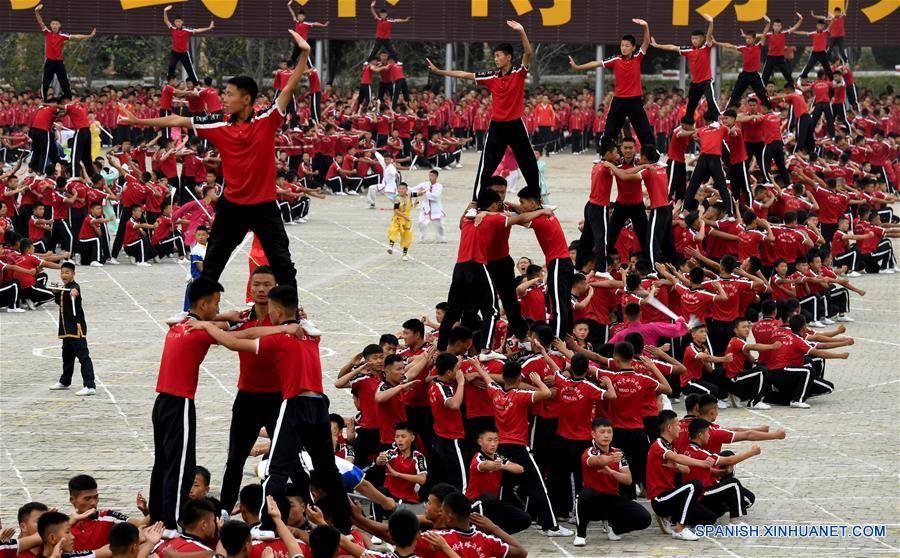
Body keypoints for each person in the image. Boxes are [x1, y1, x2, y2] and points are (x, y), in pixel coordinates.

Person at [118, 30, 312, 290]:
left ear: (246, 99)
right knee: (212, 265)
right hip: (231, 207)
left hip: (265, 205)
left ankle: (293, 317)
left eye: (230, 94)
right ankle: (197, 313)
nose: (224, 99)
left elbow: (290, 86)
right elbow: (177, 120)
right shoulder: (218, 123)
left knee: (283, 264)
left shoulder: (267, 120)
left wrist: (305, 54)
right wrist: (138, 121)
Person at [192, 285, 352, 535]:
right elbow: (254, 330)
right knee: (327, 469)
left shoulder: (279, 340)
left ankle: (267, 527)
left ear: (275, 311)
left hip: (295, 403)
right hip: (319, 404)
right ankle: (344, 525)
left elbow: (234, 342)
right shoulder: (310, 333)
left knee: (276, 469)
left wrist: (207, 327)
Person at [426, 21, 539, 200]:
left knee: (529, 164)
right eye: (494, 56)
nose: (495, 59)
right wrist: (440, 72)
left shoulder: (519, 72)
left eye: (498, 56)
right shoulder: (491, 76)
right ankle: (476, 201)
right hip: (497, 127)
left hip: (516, 124)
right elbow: (465, 74)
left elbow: (528, 52)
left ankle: (536, 199)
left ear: (508, 57)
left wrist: (521, 31)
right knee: (486, 166)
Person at [437, 189, 549, 357]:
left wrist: (475, 207)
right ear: (495, 204)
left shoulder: (469, 218)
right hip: (478, 266)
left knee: (452, 312)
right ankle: (486, 349)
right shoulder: (494, 218)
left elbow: (463, 219)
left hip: (459, 268)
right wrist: (542, 211)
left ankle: (440, 350)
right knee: (491, 310)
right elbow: (523, 218)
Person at [473, 361, 573, 537]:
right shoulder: (520, 396)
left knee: (504, 487)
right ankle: (551, 527)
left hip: (500, 447)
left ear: (503, 377)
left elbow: (487, 378)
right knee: (538, 485)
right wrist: (537, 380)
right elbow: (547, 393)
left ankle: (498, 525)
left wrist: (477, 365)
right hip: (519, 448)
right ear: (519, 379)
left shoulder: (496, 393)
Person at [568, 19, 655, 153]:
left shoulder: (638, 57)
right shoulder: (615, 59)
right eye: (622, 45)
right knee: (610, 130)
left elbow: (646, 42)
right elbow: (596, 63)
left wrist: (645, 26)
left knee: (644, 130)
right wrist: (578, 67)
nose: (624, 48)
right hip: (619, 100)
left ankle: (652, 157)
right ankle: (604, 155)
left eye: (627, 45)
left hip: (635, 100)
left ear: (633, 47)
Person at [573, 417, 651, 547]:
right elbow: (595, 461)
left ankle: (614, 528)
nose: (606, 435)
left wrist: (613, 472)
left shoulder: (618, 453)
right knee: (584, 495)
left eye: (609, 432)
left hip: (611, 499)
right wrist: (609, 460)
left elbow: (628, 480)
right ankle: (580, 534)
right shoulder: (589, 452)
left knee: (644, 518)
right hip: (593, 501)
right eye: (602, 432)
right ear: (593, 434)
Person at [647, 410, 717, 541]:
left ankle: (671, 518)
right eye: (678, 425)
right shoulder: (659, 445)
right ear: (669, 427)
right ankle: (679, 529)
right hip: (660, 499)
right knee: (694, 486)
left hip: (672, 496)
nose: (680, 428)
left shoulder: (670, 447)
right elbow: (677, 457)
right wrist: (702, 463)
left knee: (709, 517)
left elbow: (686, 470)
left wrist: (677, 466)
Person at [516, 188, 573, 338]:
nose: (520, 205)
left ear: (533, 203)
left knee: (559, 305)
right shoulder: (547, 213)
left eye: (522, 202)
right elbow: (523, 213)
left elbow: (519, 219)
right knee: (564, 302)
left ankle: (559, 341)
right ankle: (567, 336)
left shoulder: (540, 219)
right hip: (564, 261)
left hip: (558, 261)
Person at [683, 419, 759, 523]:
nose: (709, 435)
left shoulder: (689, 449)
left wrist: (725, 472)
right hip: (702, 494)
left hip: (703, 491)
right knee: (733, 484)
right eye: (707, 433)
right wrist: (752, 452)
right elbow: (729, 460)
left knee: (720, 509)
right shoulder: (699, 453)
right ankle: (734, 521)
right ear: (700, 435)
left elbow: (708, 471)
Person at [652, 14, 718, 122]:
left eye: (696, 38)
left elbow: (709, 35)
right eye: (692, 39)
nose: (694, 40)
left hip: (706, 82)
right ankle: (687, 122)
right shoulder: (688, 50)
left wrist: (711, 22)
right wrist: (657, 45)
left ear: (702, 39)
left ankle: (718, 119)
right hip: (695, 83)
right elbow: (673, 47)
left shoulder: (706, 47)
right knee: (691, 104)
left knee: (711, 101)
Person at [465, 427, 531, 536]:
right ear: (480, 442)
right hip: (474, 504)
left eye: (496, 440)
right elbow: (483, 465)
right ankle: (479, 535)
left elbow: (520, 469)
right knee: (488, 497)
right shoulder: (478, 457)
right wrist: (493, 465)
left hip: (492, 504)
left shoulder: (498, 457)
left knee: (525, 519)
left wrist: (502, 466)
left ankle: (496, 535)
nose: (493, 444)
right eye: (489, 440)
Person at [46, 262, 96, 396]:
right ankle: (65, 381)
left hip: (75, 328)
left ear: (73, 274)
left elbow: (75, 292)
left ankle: (90, 385)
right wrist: (56, 293)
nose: (64, 275)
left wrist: (75, 293)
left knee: (83, 357)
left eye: (67, 272)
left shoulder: (74, 287)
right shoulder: (65, 288)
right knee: (67, 356)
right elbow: (60, 302)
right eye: (62, 272)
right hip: (66, 329)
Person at [33, 4, 95, 99]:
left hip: (59, 62)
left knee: (64, 81)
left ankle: (68, 98)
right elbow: (40, 22)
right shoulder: (47, 33)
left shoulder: (63, 36)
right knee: (46, 81)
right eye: (53, 24)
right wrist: (36, 11)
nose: (54, 26)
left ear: (59, 25)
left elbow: (76, 36)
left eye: (56, 24)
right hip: (49, 61)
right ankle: (44, 99)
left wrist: (88, 36)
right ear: (50, 25)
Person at [575, 143, 617, 275]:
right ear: (608, 153)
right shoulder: (605, 168)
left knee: (586, 237)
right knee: (601, 239)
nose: (617, 155)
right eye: (616, 152)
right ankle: (601, 269)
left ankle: (578, 266)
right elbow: (623, 174)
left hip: (590, 205)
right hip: (599, 206)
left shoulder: (597, 165)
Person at [717, 18, 771, 108]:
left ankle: (769, 110)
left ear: (754, 39)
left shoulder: (758, 46)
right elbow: (730, 45)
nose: (747, 40)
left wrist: (768, 24)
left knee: (762, 95)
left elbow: (764, 34)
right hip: (744, 75)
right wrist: (716, 42)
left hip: (755, 75)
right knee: (735, 94)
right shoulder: (743, 48)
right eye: (746, 38)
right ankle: (727, 110)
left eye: (749, 38)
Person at [162, 5, 214, 84]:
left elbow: (197, 30)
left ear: (182, 22)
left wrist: (209, 28)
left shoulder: (187, 30)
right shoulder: (173, 29)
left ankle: (196, 84)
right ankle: (169, 82)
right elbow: (166, 21)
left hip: (184, 53)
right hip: (175, 52)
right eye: (176, 22)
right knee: (171, 66)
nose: (178, 23)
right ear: (175, 23)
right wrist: (165, 11)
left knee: (189, 69)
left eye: (179, 21)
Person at [760, 14, 803, 85]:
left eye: (778, 26)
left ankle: (792, 87)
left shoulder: (783, 33)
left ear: (781, 27)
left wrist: (800, 19)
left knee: (787, 75)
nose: (777, 27)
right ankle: (761, 90)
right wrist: (768, 23)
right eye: (775, 25)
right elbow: (763, 34)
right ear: (773, 26)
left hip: (780, 58)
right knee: (765, 76)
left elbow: (794, 28)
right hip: (770, 57)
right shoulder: (769, 34)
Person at [412, 170, 445, 243]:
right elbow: (413, 189)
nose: (430, 177)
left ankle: (440, 238)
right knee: (421, 222)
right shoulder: (425, 184)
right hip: (426, 207)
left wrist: (426, 192)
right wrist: (417, 193)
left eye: (432, 176)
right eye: (429, 175)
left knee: (439, 225)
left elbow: (435, 197)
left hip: (436, 208)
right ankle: (422, 238)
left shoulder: (439, 186)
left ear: (436, 177)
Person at [387, 182, 416, 260]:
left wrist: (425, 190)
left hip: (407, 220)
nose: (401, 190)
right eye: (400, 188)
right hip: (398, 218)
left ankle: (404, 254)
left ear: (406, 190)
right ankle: (391, 246)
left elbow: (419, 194)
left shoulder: (410, 196)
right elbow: (396, 210)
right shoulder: (397, 199)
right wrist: (403, 216)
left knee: (407, 236)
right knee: (393, 230)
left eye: (403, 188)